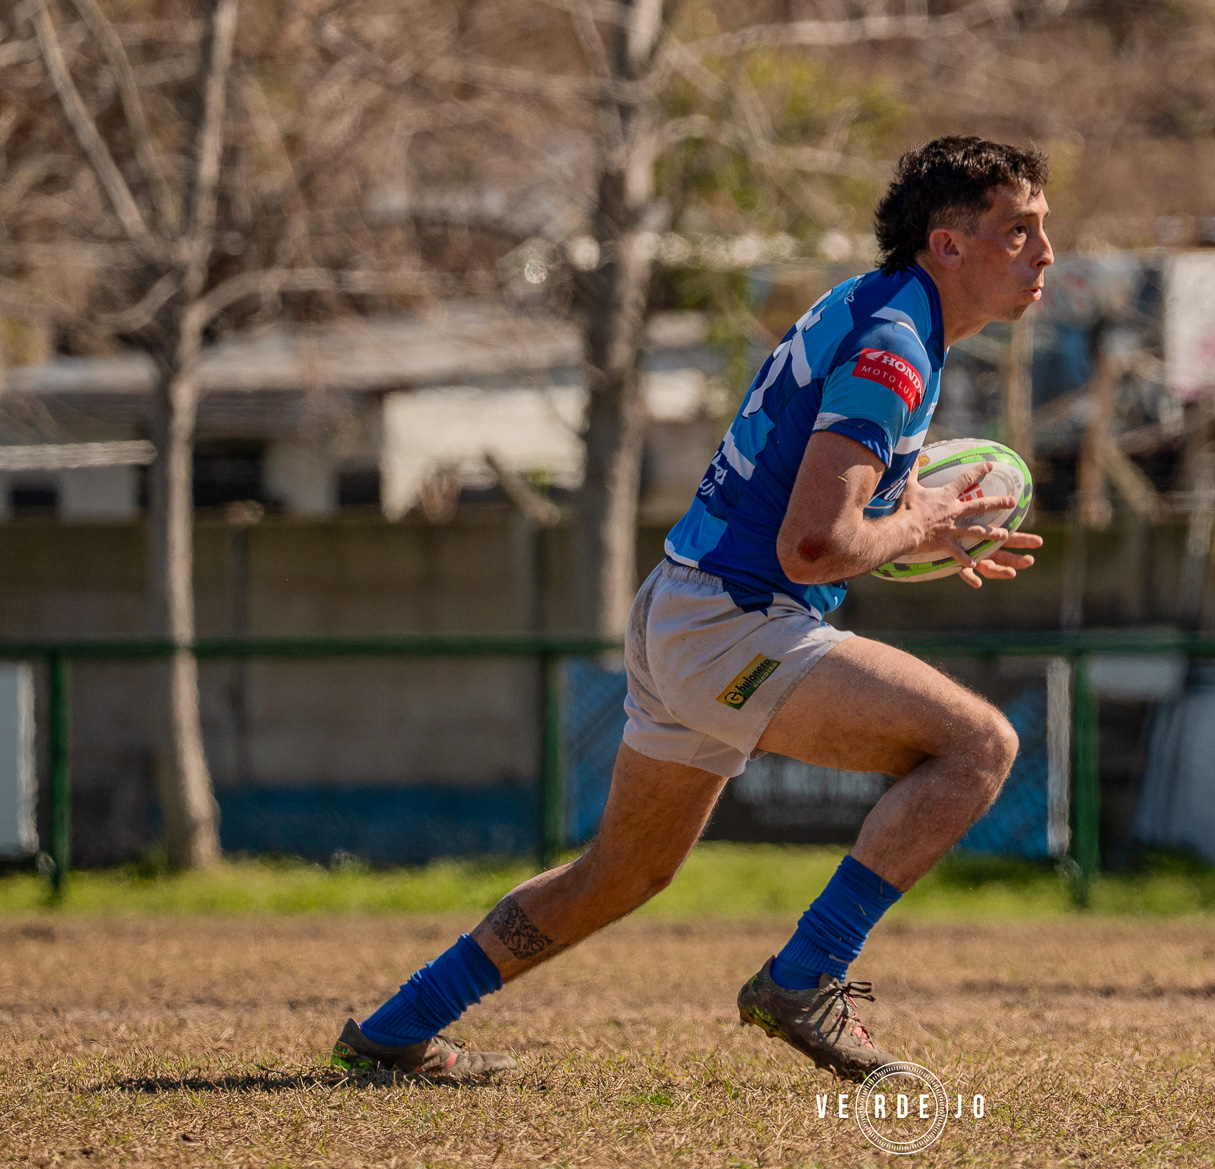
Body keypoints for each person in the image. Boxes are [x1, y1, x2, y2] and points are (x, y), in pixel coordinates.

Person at [328, 137, 1053, 1083]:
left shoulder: (879, 308)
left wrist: (912, 530)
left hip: (684, 604)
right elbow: (817, 545)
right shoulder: (896, 348)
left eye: (1044, 230)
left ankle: (397, 1026)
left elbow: (822, 526)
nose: (1044, 252)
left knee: (621, 874)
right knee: (979, 748)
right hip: (736, 624)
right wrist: (910, 517)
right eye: (1019, 231)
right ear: (947, 245)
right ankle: (807, 978)